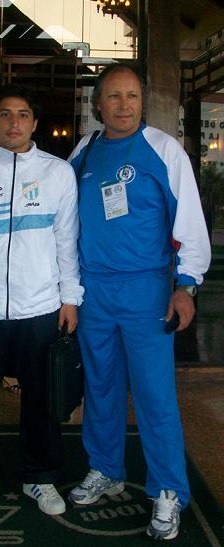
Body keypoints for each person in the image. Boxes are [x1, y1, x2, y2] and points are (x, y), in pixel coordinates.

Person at [68, 63, 211, 541]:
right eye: (113, 96)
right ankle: (105, 468)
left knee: (154, 395)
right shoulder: (83, 153)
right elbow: (63, 224)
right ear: (97, 105)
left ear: (142, 101)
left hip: (147, 292)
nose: (123, 105)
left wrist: (185, 286)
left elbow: (189, 221)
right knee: (101, 389)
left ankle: (168, 490)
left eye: (131, 95)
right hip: (93, 293)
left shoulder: (163, 150)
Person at [0, 83, 83, 518]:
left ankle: (40, 477)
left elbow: (67, 240)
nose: (13, 122)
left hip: (41, 307)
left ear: (35, 123)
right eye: (5, 114)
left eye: (23, 114)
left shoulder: (57, 173)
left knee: (42, 400)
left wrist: (70, 298)